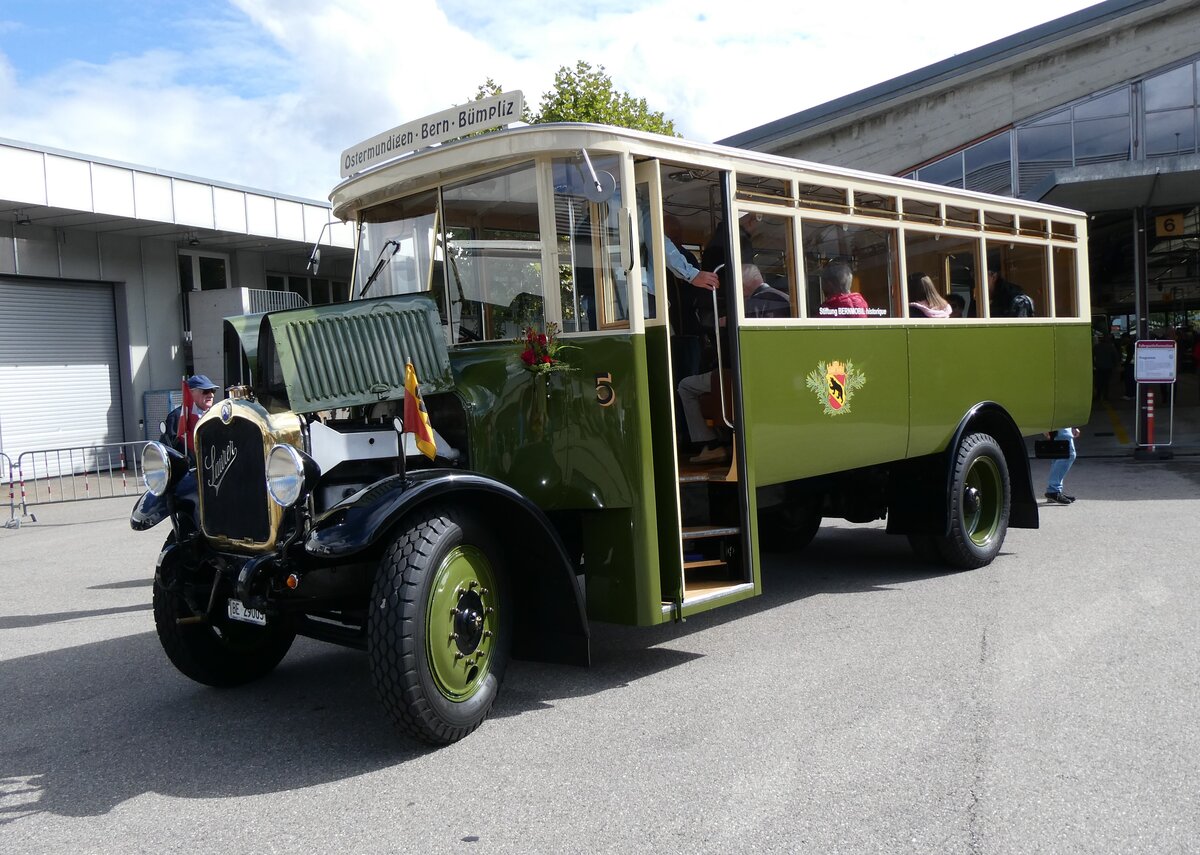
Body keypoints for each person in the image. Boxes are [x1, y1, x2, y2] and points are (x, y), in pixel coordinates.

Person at [678, 265, 788, 464]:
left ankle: (711, 444)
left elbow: (737, 345)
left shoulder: (751, 304)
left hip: (746, 374)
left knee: (686, 385)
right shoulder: (785, 297)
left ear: (744, 285)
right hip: (777, 372)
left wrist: (723, 324)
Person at [162, 374, 218, 459]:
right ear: (191, 393)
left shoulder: (215, 415)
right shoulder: (177, 416)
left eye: (213, 390)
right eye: (206, 391)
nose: (211, 395)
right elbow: (171, 450)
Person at [1045, 426, 1080, 504]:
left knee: (1059, 455)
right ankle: (1053, 491)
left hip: (1061, 424)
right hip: (1060, 424)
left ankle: (1054, 491)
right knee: (1068, 454)